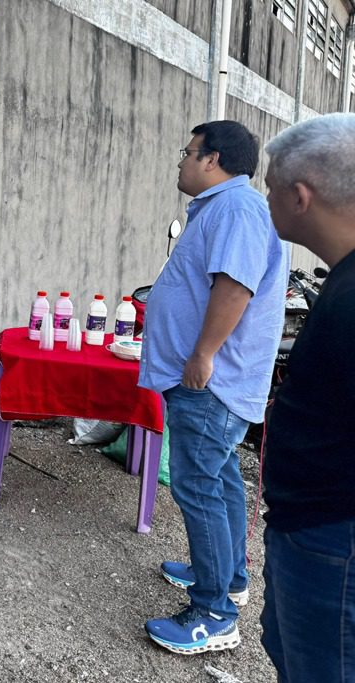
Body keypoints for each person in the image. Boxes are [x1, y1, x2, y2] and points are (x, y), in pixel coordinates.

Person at [138, 121, 288, 655]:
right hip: (211, 381)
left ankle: (214, 615)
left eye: (188, 152)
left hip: (212, 382)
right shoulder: (225, 210)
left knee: (198, 488)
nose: (181, 161)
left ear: (212, 159)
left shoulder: (237, 210)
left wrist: (202, 354)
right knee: (221, 479)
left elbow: (235, 286)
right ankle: (230, 580)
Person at [259, 113, 355, 681]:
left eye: (269, 186)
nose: (264, 198)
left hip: (333, 540)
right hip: (310, 529)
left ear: (299, 196)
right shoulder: (340, 281)